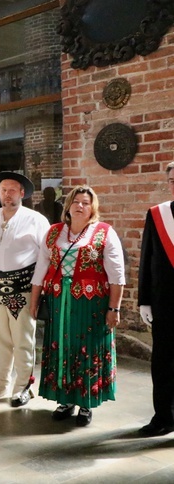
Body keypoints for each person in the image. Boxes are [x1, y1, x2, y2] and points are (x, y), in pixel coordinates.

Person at [30, 185, 125, 427]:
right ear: (68, 206)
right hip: (58, 303)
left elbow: (117, 275)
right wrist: (34, 302)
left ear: (93, 208)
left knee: (87, 348)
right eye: (76, 201)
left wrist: (114, 308)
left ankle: (86, 402)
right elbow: (40, 270)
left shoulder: (105, 233)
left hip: (91, 305)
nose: (80, 206)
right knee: (61, 346)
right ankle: (65, 399)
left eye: (85, 202)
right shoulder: (53, 233)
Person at [0, 172, 50, 406]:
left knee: (22, 339)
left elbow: (46, 257)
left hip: (22, 289)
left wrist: (38, 291)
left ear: (22, 193)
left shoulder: (36, 220)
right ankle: (0, 383)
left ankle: (23, 387)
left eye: (11, 190)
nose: (6, 194)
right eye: (2, 190)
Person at [138, 161, 174, 436]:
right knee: (162, 362)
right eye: (172, 179)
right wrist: (144, 301)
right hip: (165, 302)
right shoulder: (158, 214)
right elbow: (147, 259)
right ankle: (163, 416)